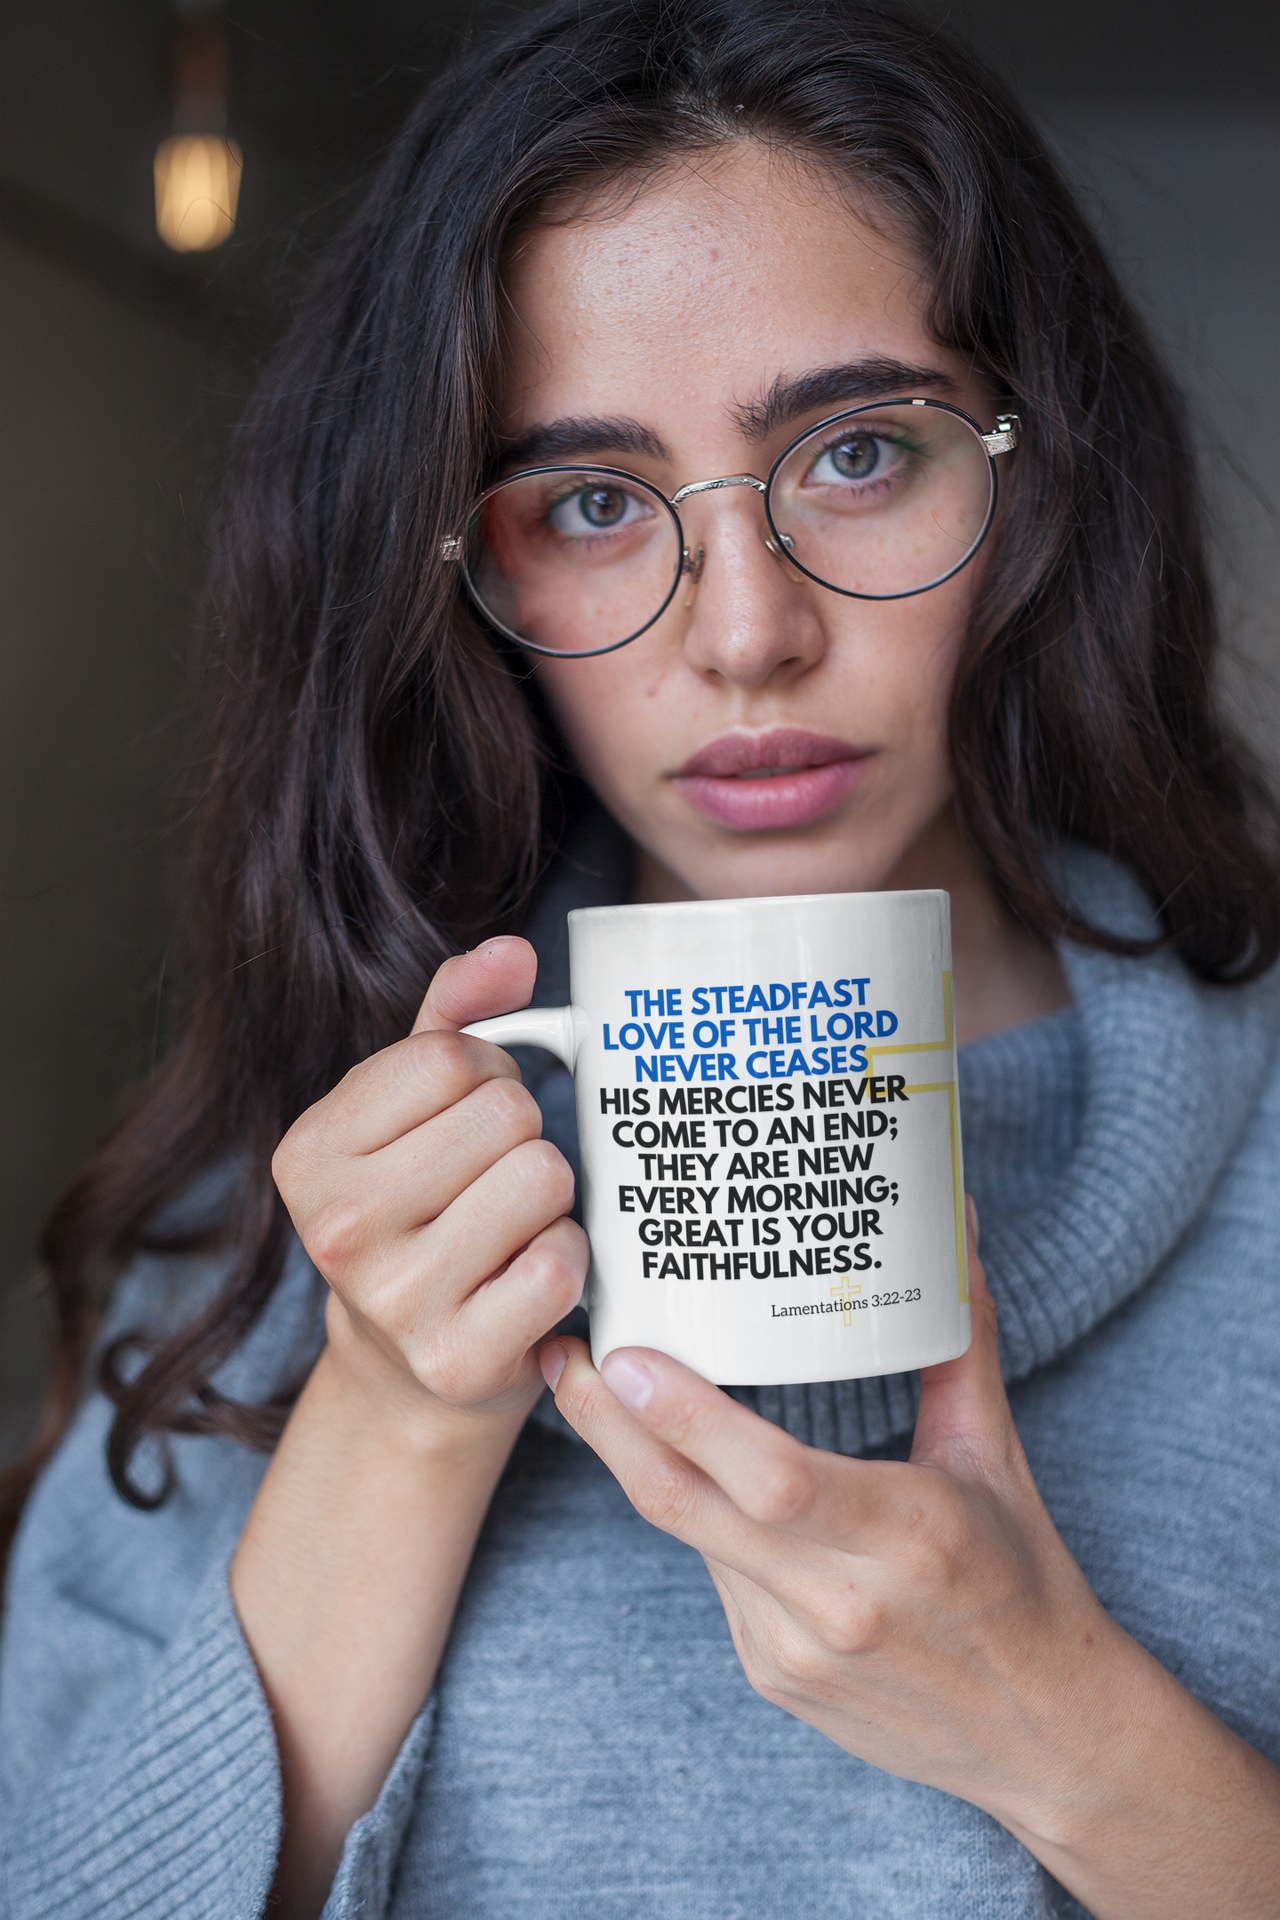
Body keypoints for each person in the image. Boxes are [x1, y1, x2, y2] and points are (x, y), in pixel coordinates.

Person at [3, 2, 1279, 1916]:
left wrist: (1074, 1737)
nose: (745, 633)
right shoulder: (279, 1215)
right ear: (464, 578)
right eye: (592, 506)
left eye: (858, 454)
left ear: (1036, 479)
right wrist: (392, 1418)